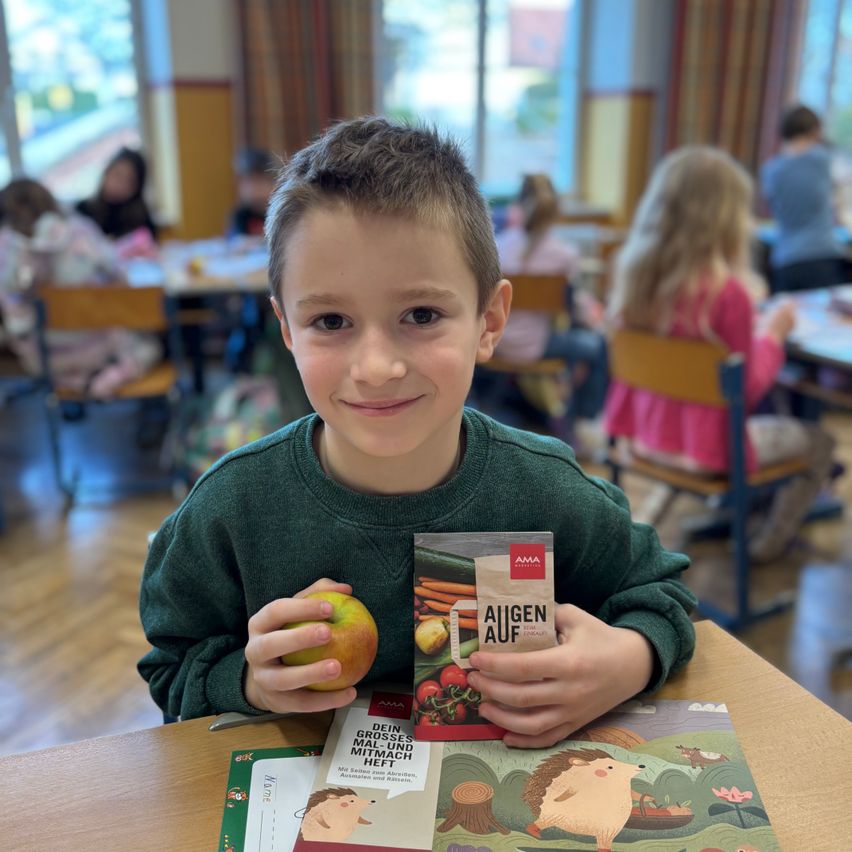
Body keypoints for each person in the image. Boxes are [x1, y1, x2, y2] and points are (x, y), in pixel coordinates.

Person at [139, 118, 696, 748]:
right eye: (330, 320)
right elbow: (172, 666)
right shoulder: (230, 510)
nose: (377, 368)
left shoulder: (547, 489)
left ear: (490, 320)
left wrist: (630, 660)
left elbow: (659, 592)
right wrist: (245, 680)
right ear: (287, 329)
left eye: (421, 315)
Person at [606, 146, 836, 563]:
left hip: (644, 439)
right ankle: (763, 546)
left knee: (718, 421)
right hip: (710, 452)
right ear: (728, 218)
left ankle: (663, 528)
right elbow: (745, 389)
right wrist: (774, 335)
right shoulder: (727, 295)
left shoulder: (634, 278)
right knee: (822, 442)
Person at [0, 178, 161, 398]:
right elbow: (119, 279)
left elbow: (13, 311)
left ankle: (78, 382)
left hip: (45, 357)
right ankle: (107, 377)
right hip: (100, 345)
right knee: (152, 343)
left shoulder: (6, 248)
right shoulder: (78, 231)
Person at [494, 174, 608, 435]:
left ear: (518, 205)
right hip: (537, 345)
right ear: (554, 210)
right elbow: (574, 308)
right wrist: (596, 318)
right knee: (597, 345)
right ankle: (578, 419)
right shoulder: (564, 254)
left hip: (497, 344)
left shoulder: (499, 247)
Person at [760, 105, 847, 293]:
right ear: (815, 132)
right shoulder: (823, 160)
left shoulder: (770, 170)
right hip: (821, 256)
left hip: (785, 260)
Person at [76, 147, 158, 242]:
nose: (120, 185)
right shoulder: (83, 210)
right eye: (117, 175)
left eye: (129, 181)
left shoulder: (141, 220)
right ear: (107, 171)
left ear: (137, 187)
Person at [228, 147, 278, 238]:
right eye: (246, 183)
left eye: (258, 182)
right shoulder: (241, 215)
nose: (252, 189)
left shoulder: (280, 211)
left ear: (273, 182)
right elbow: (235, 241)